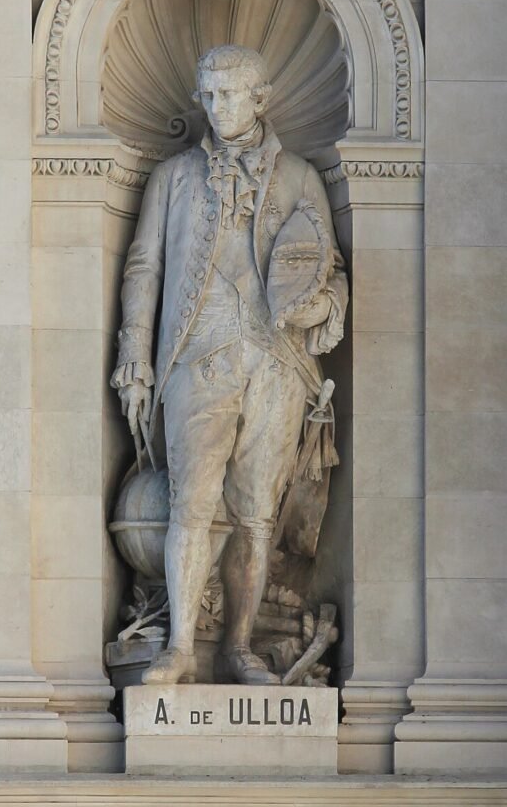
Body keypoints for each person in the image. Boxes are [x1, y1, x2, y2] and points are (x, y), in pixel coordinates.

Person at [111, 45, 348, 685]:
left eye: (230, 94)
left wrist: (320, 305)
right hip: (197, 355)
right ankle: (179, 648)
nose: (217, 107)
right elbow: (144, 266)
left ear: (260, 98)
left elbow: (328, 271)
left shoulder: (301, 176)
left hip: (275, 361)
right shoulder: (173, 177)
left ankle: (238, 648)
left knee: (256, 515)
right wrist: (135, 354)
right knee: (190, 502)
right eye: (209, 95)